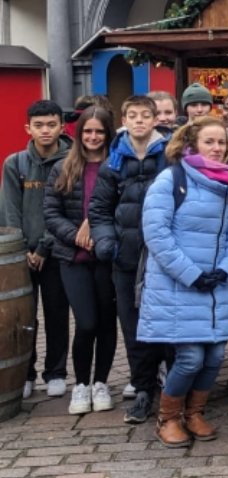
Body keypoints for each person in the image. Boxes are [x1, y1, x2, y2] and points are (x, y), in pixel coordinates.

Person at [138, 116, 228, 448]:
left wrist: (226, 270)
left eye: (222, 142)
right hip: (178, 285)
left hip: (214, 285)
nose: (217, 148)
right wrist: (191, 274)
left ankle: (194, 412)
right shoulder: (171, 179)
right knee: (190, 358)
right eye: (209, 141)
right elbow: (157, 234)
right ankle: (167, 417)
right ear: (191, 145)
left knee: (215, 357)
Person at [89, 95, 171, 424]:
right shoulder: (113, 161)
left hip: (162, 258)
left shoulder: (170, 155)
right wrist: (107, 242)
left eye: (145, 115)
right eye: (132, 115)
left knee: (165, 325)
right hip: (125, 257)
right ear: (124, 119)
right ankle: (142, 390)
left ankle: (172, 389)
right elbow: (99, 209)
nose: (139, 121)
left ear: (155, 120)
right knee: (133, 326)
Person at [44, 106, 118, 415]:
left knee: (105, 323)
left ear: (107, 134)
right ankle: (81, 384)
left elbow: (124, 210)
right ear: (78, 134)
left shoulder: (117, 167)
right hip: (72, 257)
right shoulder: (62, 168)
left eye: (99, 131)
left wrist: (100, 232)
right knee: (86, 322)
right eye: (88, 131)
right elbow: (50, 212)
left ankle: (101, 382)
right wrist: (76, 234)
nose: (93, 136)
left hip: (105, 257)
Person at [2, 99, 73, 399]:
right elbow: (10, 211)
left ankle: (55, 372)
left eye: (51, 124)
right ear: (28, 128)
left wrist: (44, 246)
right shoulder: (14, 163)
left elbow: (66, 209)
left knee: (57, 312)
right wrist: (21, 248)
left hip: (56, 251)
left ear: (62, 126)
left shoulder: (71, 161)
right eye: (39, 125)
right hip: (22, 255)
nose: (45, 131)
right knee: (24, 316)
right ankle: (26, 372)